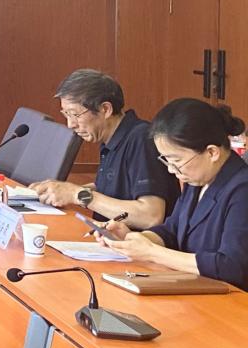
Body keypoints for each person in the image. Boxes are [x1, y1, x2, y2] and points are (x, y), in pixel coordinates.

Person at [100, 99, 248, 291]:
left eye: (176, 160)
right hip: (193, 289)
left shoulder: (242, 189)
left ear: (212, 152)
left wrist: (152, 253)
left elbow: (231, 267)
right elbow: (173, 229)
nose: (171, 170)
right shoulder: (198, 178)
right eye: (166, 160)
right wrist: (136, 238)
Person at [30, 69, 179, 229]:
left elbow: (150, 216)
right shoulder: (111, 138)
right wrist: (59, 191)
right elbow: (116, 190)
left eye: (75, 114)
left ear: (105, 109)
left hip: (137, 242)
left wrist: (76, 194)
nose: (70, 124)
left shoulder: (142, 139)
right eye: (66, 114)